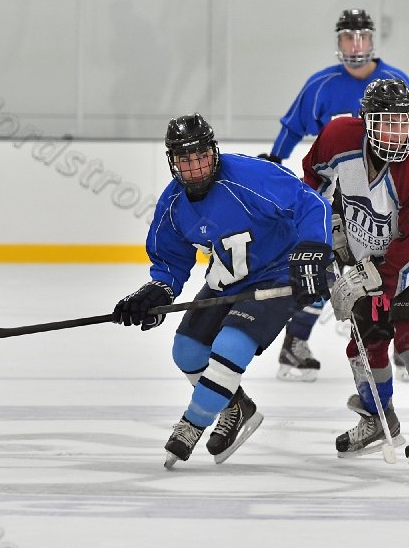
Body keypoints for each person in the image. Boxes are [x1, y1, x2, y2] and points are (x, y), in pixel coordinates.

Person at [113, 113, 332, 468]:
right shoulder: (173, 206)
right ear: (173, 163)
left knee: (231, 346)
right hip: (229, 279)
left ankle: (192, 423)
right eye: (186, 160)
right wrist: (154, 292)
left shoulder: (249, 177)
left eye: (201, 157)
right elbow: (170, 262)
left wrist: (312, 251)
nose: (196, 168)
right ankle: (236, 407)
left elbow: (311, 203)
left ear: (214, 152)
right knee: (186, 352)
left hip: (278, 275)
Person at [303, 78, 409, 470]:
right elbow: (312, 183)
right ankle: (378, 418)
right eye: (386, 122)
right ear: (366, 122)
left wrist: (377, 278)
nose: (397, 132)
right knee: (365, 338)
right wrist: (327, 229)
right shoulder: (339, 136)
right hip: (370, 256)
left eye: (403, 122)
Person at [260, 9, 409, 383]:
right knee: (320, 268)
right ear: (339, 42)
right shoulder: (321, 86)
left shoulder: (395, 81)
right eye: (348, 37)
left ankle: (401, 347)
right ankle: (294, 344)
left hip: (378, 197)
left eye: (362, 37)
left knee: (389, 270)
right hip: (332, 196)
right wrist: (275, 163)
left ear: (373, 40)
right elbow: (293, 126)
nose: (356, 45)